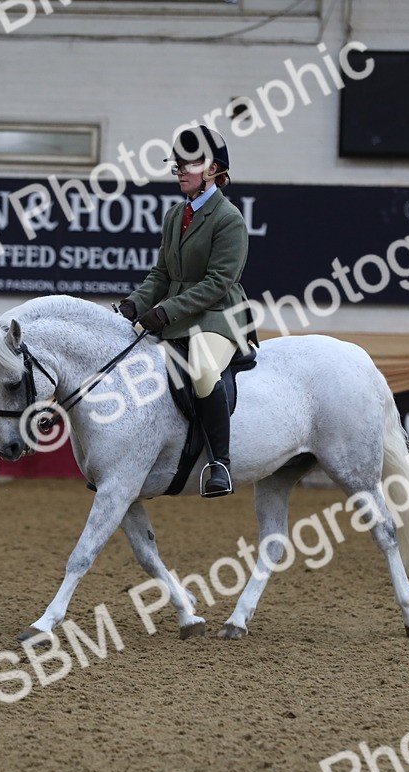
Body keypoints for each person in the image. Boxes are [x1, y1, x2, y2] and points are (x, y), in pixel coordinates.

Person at [118, 126, 257, 498]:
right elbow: (162, 273)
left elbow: (218, 283)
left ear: (213, 170)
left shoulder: (229, 219)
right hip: (178, 314)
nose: (179, 169)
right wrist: (135, 303)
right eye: (177, 164)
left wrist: (165, 312)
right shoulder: (174, 214)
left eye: (189, 163)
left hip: (218, 316)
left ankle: (220, 465)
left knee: (203, 369)